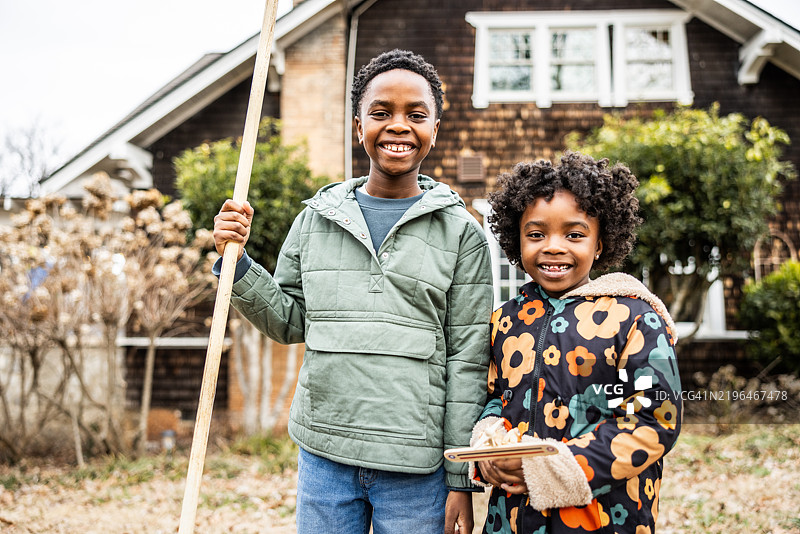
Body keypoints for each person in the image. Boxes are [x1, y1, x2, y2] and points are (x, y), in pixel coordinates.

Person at [212, 49, 493, 534]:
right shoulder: (316, 219)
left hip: (416, 467)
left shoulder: (461, 233)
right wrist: (237, 265)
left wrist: (460, 481)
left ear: (435, 129)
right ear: (358, 127)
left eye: (416, 115)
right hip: (325, 456)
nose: (398, 126)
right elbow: (289, 321)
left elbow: (467, 361)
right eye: (381, 113)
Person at [470, 152, 682, 533]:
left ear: (600, 244)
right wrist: (488, 445)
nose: (553, 246)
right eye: (536, 234)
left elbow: (652, 419)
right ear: (516, 241)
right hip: (512, 519)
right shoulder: (505, 320)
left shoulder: (632, 318)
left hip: (603, 518)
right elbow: (494, 397)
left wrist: (549, 469)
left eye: (574, 234)